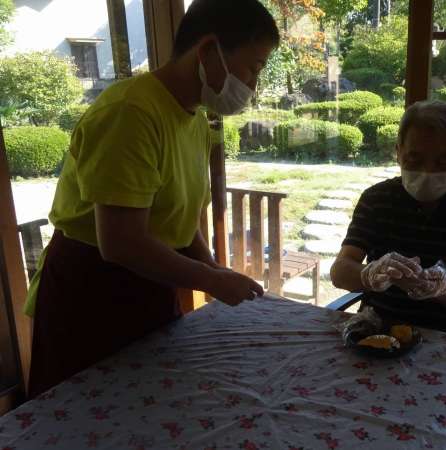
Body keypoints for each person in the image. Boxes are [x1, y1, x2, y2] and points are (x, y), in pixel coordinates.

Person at [25, 0, 279, 398]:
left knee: (153, 403)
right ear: (208, 50)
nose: (253, 86)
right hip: (90, 292)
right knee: (87, 412)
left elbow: (181, 221)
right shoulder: (131, 112)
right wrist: (210, 278)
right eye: (253, 68)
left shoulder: (195, 119)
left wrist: (213, 269)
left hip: (151, 284)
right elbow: (121, 242)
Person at [331, 101, 446, 338]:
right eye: (414, 159)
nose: (427, 171)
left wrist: (441, 288)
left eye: (443, 161)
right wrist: (370, 273)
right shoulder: (376, 200)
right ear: (398, 152)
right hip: (378, 332)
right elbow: (339, 273)